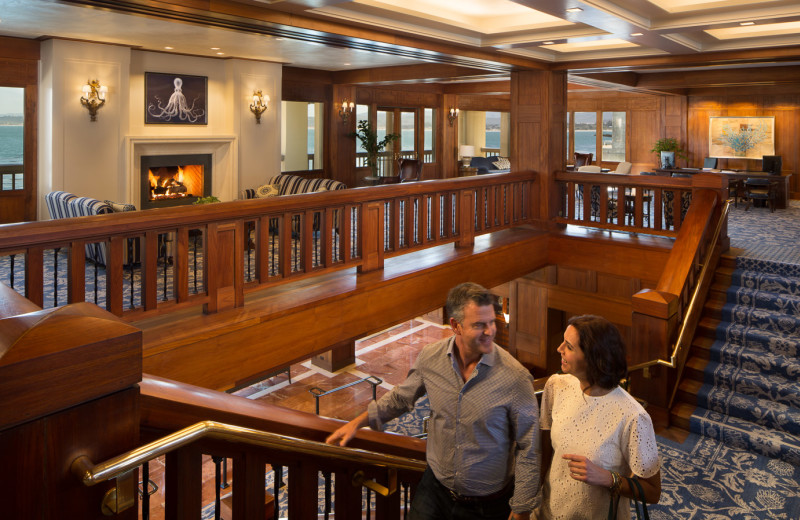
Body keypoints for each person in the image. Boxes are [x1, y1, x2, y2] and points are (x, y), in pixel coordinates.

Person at [326, 282, 540, 520]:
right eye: (479, 325)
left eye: (491, 322)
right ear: (455, 326)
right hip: (434, 490)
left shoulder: (515, 377)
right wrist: (358, 422)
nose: (490, 331)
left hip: (487, 506)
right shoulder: (431, 358)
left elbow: (529, 447)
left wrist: (521, 509)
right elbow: (400, 397)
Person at [536, 315, 661, 520]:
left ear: (594, 357)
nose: (559, 349)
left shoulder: (634, 416)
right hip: (548, 512)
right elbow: (546, 454)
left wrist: (608, 478)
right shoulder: (556, 385)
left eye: (568, 346)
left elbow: (653, 492)